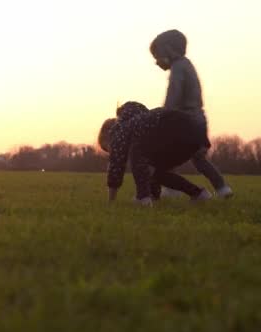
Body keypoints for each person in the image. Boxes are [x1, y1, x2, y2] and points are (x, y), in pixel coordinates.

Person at [150, 29, 233, 198]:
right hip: (199, 121)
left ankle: (171, 189)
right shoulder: (187, 65)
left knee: (165, 155)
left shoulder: (178, 69)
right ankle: (222, 188)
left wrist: (163, 116)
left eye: (157, 56)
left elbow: (174, 95)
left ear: (169, 50)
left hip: (184, 123)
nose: (157, 62)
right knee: (199, 159)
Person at [99, 101, 213, 206]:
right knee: (156, 172)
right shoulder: (142, 122)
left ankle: (142, 198)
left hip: (172, 127)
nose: (112, 153)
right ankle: (198, 194)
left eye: (108, 149)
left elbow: (116, 167)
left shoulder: (119, 131)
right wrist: (155, 194)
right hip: (195, 134)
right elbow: (150, 172)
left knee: (136, 152)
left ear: (108, 135)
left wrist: (111, 202)